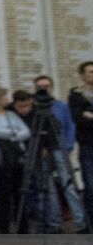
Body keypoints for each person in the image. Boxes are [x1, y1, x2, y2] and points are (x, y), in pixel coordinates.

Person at [32, 75, 87, 234]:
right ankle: (53, 223)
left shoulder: (61, 106)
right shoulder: (34, 107)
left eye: (47, 86)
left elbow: (70, 126)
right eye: (40, 86)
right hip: (42, 152)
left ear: (52, 87)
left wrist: (68, 146)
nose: (44, 89)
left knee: (68, 185)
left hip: (60, 150)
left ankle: (81, 221)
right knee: (48, 187)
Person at [0, 87, 29, 234]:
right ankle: (3, 226)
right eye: (4, 97)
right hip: (0, 155)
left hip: (16, 155)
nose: (7, 100)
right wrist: (14, 133)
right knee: (3, 193)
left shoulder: (11, 114)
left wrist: (11, 135)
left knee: (19, 191)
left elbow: (26, 131)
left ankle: (22, 225)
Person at [69, 61, 93, 229]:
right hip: (88, 145)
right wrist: (85, 116)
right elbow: (78, 119)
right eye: (91, 72)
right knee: (90, 186)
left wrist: (89, 114)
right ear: (83, 76)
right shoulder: (76, 96)